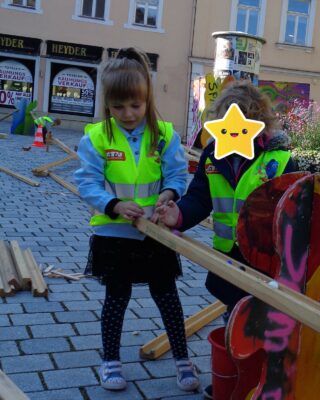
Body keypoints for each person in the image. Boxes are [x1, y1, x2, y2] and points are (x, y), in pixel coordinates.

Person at [154, 80, 296, 399]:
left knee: (269, 326)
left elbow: (295, 217)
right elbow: (199, 198)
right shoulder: (212, 155)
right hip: (227, 260)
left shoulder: (280, 161)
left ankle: (266, 384)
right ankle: (234, 379)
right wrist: (178, 215)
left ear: (258, 124)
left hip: (267, 262)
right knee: (235, 320)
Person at [74, 47, 199, 392]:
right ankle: (110, 360)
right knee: (116, 298)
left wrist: (169, 195)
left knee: (167, 296)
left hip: (154, 233)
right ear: (107, 104)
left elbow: (176, 174)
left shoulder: (165, 135)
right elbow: (86, 182)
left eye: (136, 105)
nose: (128, 113)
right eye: (118, 106)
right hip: (114, 233)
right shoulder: (96, 137)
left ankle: (182, 358)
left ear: (148, 99)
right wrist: (113, 204)